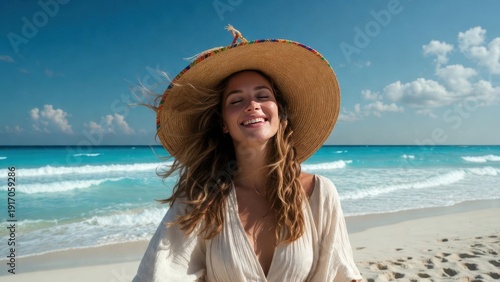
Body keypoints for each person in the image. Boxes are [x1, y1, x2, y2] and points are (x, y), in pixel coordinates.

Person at [133, 25, 362, 282]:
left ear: (280, 114)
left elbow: (340, 272)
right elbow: (161, 274)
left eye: (262, 96)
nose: (252, 105)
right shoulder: (199, 199)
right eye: (236, 100)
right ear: (223, 123)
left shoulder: (319, 193)